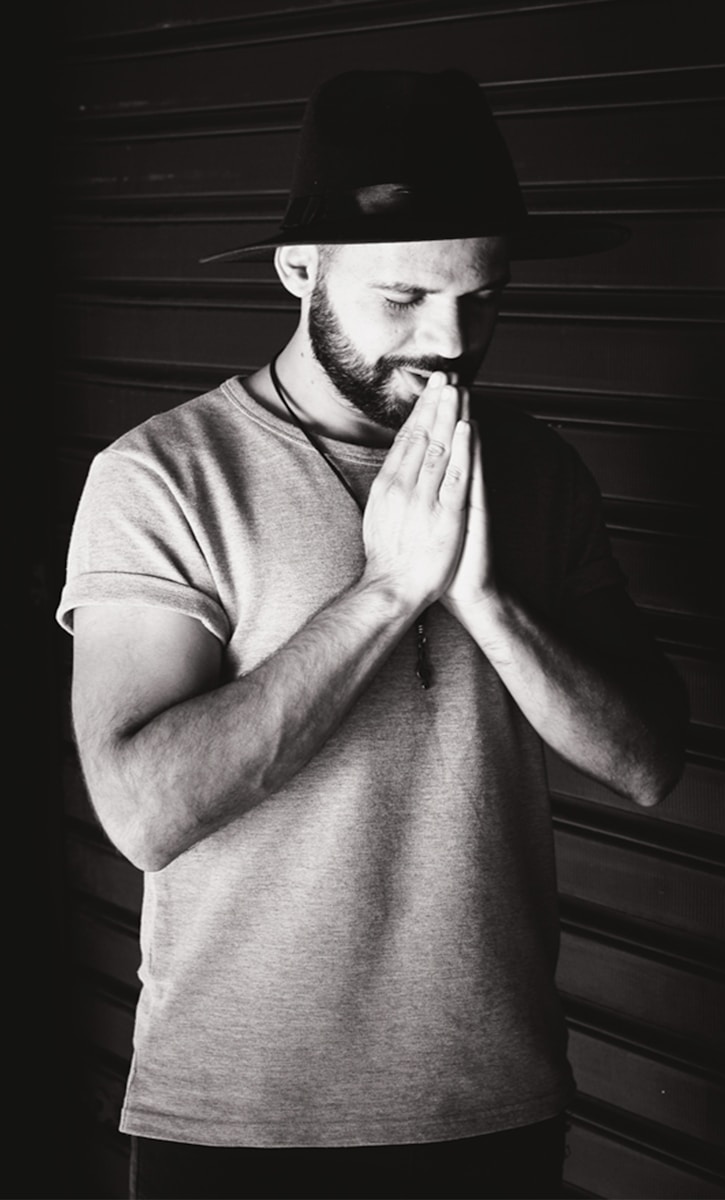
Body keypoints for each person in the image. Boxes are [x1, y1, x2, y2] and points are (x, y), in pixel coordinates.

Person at [57, 70, 688, 1200]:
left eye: (479, 299)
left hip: (492, 1101)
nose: (447, 340)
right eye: (402, 297)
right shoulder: (163, 476)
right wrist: (385, 593)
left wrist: (485, 598)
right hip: (239, 1122)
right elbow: (143, 814)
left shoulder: (537, 470)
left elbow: (645, 763)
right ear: (299, 271)